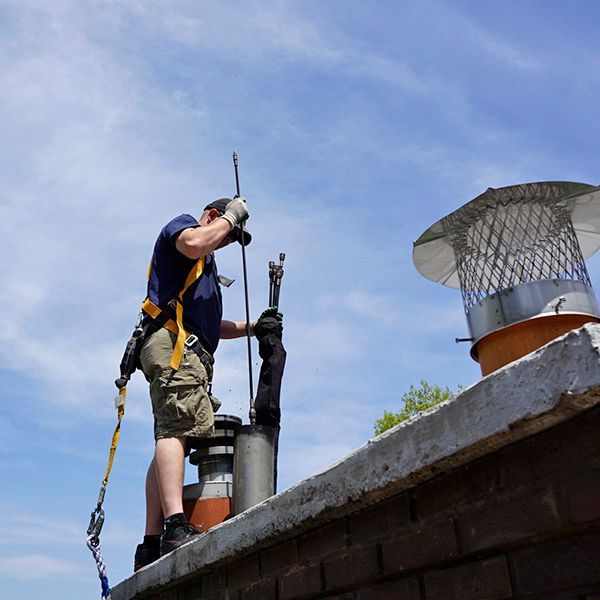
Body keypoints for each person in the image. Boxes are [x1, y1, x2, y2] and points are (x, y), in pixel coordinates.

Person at [133, 197, 277, 571]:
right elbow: (196, 242)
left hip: (188, 350)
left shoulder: (206, 273)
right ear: (213, 217)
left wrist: (252, 328)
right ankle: (175, 526)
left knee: (171, 434)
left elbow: (213, 328)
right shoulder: (183, 229)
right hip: (173, 346)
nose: (227, 241)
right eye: (228, 233)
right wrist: (231, 217)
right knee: (175, 431)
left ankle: (151, 542)